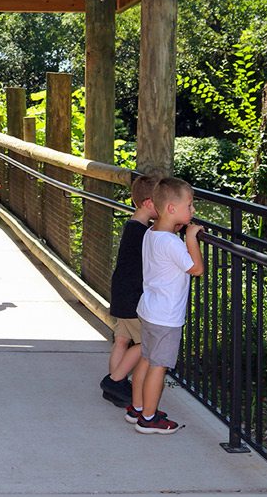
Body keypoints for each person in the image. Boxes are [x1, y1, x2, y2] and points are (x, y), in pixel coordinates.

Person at [129, 176, 204, 434]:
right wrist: (191, 237)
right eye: (190, 206)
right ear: (172, 209)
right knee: (158, 367)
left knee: (147, 360)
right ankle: (148, 419)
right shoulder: (172, 242)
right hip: (165, 317)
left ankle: (137, 407)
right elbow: (196, 269)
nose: (193, 211)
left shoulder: (151, 232)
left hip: (149, 310)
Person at [100, 173, 159, 407]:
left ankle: (115, 388)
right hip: (134, 296)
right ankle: (115, 380)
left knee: (122, 340)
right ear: (148, 203)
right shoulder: (145, 234)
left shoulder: (132, 226)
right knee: (146, 342)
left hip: (121, 292)